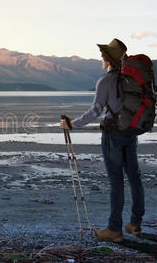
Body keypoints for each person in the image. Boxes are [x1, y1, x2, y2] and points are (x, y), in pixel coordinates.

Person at [60, 38, 144, 242]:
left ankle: (114, 230)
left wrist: (73, 124)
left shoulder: (105, 80)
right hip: (130, 132)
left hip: (112, 135)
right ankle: (135, 224)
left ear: (107, 58)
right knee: (134, 177)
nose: (101, 56)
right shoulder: (130, 79)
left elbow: (95, 110)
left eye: (103, 54)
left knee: (116, 182)